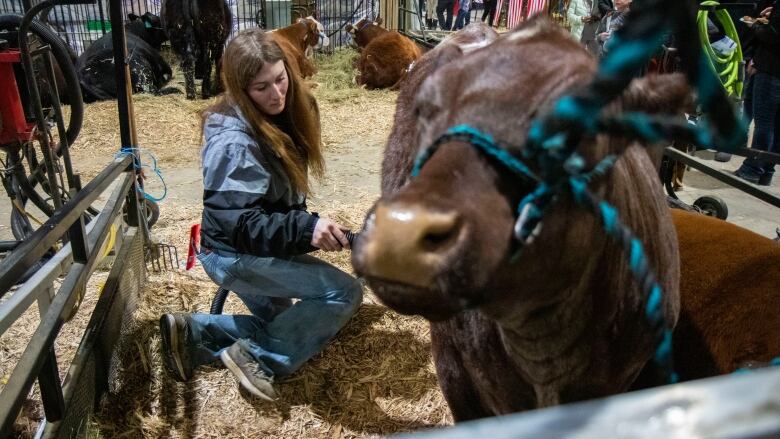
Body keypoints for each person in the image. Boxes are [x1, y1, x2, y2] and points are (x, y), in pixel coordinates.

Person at [158, 28, 363, 401]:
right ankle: (258, 358)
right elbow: (241, 223)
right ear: (240, 89)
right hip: (233, 253)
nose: (277, 94)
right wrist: (306, 228)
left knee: (286, 324)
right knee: (343, 292)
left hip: (246, 246)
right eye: (261, 87)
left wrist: (315, 228)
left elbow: (273, 208)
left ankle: (193, 334)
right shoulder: (235, 141)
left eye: (281, 79)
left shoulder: (279, 116)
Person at [734, 1, 779, 186]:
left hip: (771, 69)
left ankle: (753, 169)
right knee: (776, 125)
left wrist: (757, 26)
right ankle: (767, 170)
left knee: (765, 123)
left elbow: (774, 36)